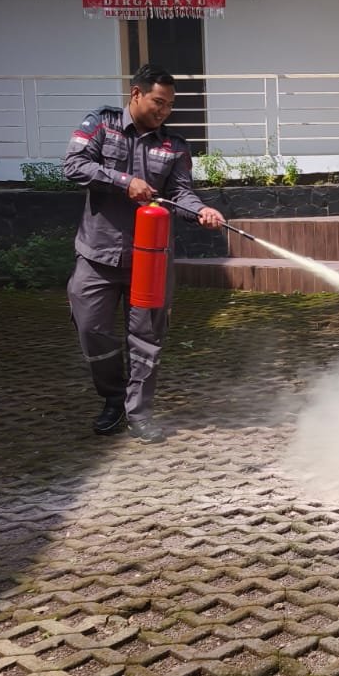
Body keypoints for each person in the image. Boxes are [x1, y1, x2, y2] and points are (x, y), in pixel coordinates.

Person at [63, 63, 226, 441]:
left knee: (146, 339)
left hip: (150, 262)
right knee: (92, 329)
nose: (163, 111)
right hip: (97, 256)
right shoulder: (101, 125)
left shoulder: (175, 146)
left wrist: (201, 210)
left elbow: (181, 193)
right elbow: (73, 166)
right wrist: (124, 182)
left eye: (169, 105)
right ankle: (113, 399)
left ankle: (138, 412)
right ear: (135, 94)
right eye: (158, 102)